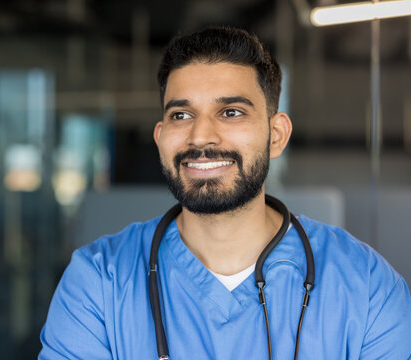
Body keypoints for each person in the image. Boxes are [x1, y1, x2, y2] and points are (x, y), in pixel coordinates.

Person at [38, 27, 411, 359]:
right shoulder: (99, 282)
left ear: (276, 135)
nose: (201, 137)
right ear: (160, 138)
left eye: (231, 112)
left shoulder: (367, 287)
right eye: (181, 115)